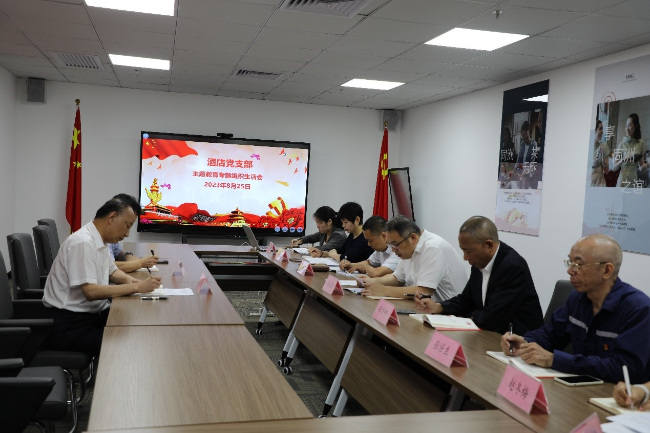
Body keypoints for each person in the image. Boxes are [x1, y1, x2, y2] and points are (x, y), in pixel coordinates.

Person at [501, 234, 650, 384]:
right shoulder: (578, 298)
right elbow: (551, 334)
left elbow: (624, 369)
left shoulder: (638, 309)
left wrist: (555, 359)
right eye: (570, 262)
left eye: (579, 265)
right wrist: (525, 342)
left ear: (606, 270)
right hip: (580, 387)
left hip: (617, 393)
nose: (570, 271)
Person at [42, 194, 161, 356]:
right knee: (129, 344)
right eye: (127, 226)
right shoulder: (83, 243)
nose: (127, 234)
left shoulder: (100, 239)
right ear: (112, 218)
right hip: (70, 325)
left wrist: (131, 281)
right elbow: (91, 292)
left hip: (90, 315)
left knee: (136, 326)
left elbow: (112, 271)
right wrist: (137, 287)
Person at [415, 216, 543, 334]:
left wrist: (468, 318)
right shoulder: (479, 263)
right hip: (491, 334)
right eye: (463, 250)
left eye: (468, 251)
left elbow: (494, 317)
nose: (465, 257)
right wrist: (438, 307)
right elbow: (466, 300)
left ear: (489, 245)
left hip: (520, 340)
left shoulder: (512, 267)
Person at [358, 216, 467, 301]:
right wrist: (371, 282)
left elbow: (423, 291)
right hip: (425, 309)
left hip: (450, 315)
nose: (393, 250)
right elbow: (397, 278)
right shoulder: (408, 250)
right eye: (390, 245)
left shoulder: (433, 248)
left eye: (395, 244)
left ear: (413, 238)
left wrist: (384, 290)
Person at [613, 113, 645, 188]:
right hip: (622, 180)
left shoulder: (640, 143)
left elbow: (641, 166)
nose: (627, 129)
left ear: (635, 126)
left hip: (633, 180)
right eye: (626, 126)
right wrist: (622, 160)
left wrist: (648, 164)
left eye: (630, 125)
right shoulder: (622, 144)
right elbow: (614, 168)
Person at [591, 120, 610, 187]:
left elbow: (606, 171)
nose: (602, 132)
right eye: (600, 129)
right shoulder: (587, 148)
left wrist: (603, 159)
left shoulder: (604, 146)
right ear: (594, 131)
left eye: (602, 129)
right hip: (590, 185)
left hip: (601, 185)